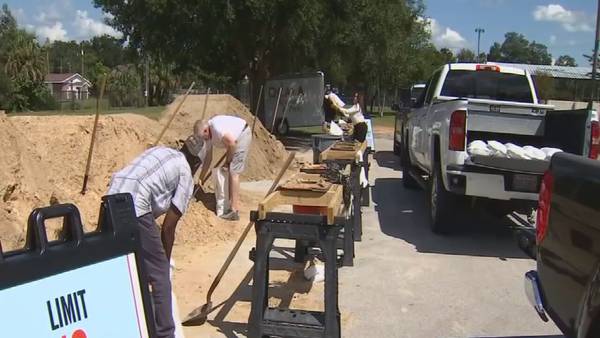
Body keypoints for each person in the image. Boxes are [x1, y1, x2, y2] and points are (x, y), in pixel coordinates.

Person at [107, 138, 203, 338]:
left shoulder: (163, 152)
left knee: (129, 264)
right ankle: (165, 333)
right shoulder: (186, 172)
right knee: (159, 273)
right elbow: (168, 228)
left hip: (112, 196)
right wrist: (164, 263)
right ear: (196, 163)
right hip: (134, 203)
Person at [195, 115, 252, 221]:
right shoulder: (208, 136)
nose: (204, 140)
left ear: (206, 130)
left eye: (203, 137)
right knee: (230, 169)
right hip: (234, 141)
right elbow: (208, 159)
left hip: (242, 135)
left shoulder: (217, 128)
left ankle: (234, 211)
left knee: (233, 172)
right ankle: (230, 204)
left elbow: (232, 144)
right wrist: (201, 178)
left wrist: (227, 161)